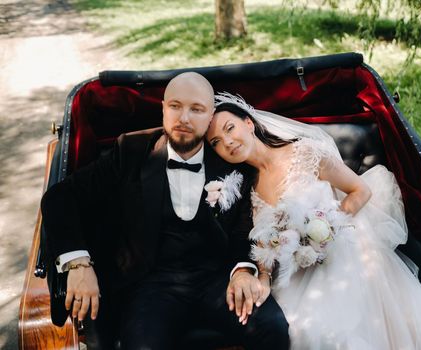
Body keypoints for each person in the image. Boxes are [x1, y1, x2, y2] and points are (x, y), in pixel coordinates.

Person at [40, 73, 289, 350]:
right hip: (151, 286)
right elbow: (60, 197)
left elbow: (245, 226)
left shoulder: (229, 158)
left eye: (196, 109)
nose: (184, 118)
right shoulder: (131, 151)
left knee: (273, 328)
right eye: (175, 106)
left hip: (217, 280)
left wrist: (243, 270)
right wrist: (79, 264)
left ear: (210, 118)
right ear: (163, 108)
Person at [205, 93, 421, 349]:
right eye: (216, 141)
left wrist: (326, 229)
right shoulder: (248, 190)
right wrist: (262, 278)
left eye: (230, 128)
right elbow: (264, 242)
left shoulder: (304, 153)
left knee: (331, 331)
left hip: (340, 252)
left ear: (249, 123)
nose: (227, 142)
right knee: (296, 328)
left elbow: (360, 191)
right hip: (294, 274)